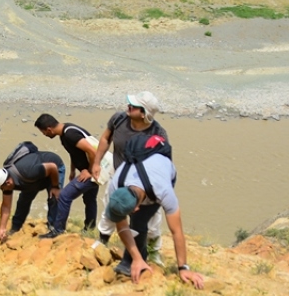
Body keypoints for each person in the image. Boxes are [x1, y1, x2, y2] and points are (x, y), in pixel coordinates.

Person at [105, 132, 205, 290]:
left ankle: (138, 257)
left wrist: (183, 269)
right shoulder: (115, 185)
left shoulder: (163, 190)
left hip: (163, 173)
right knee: (136, 226)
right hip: (141, 179)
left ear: (135, 208)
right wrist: (136, 258)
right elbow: (122, 226)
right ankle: (137, 259)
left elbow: (176, 231)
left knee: (139, 222)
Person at [91, 92, 170, 255]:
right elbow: (106, 138)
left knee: (152, 221)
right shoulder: (118, 119)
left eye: (133, 106)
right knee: (111, 208)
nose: (128, 106)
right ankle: (102, 241)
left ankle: (154, 252)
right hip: (118, 176)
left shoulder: (157, 134)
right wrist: (96, 162)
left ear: (144, 114)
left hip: (143, 184)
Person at [34, 113, 98, 236]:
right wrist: (73, 170)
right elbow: (74, 152)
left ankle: (58, 230)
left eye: (44, 133)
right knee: (89, 199)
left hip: (92, 171)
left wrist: (89, 171)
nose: (45, 135)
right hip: (92, 171)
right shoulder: (65, 133)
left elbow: (92, 151)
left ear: (49, 129)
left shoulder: (70, 134)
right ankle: (89, 229)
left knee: (64, 196)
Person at [0, 144, 65, 241]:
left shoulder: (28, 171)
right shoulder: (7, 182)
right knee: (23, 201)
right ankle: (15, 227)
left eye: (1, 187)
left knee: (53, 198)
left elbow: (52, 167)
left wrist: (55, 187)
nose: (2, 190)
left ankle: (54, 229)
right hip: (35, 178)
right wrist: (2, 228)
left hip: (54, 169)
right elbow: (6, 206)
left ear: (8, 183)